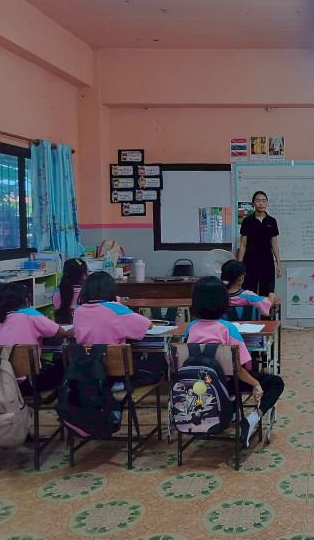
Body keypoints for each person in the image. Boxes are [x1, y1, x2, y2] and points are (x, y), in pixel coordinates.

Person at [183, 276, 285, 448]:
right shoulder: (228, 329)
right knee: (275, 382)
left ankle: (228, 413)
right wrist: (256, 384)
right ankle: (252, 419)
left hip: (196, 386)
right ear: (223, 300)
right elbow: (239, 369)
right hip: (224, 385)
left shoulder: (190, 327)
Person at [73, 271, 163, 387]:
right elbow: (148, 325)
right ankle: (118, 385)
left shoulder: (78, 310)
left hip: (86, 369)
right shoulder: (116, 308)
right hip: (115, 370)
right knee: (159, 367)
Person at [0, 282, 72, 391]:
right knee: (65, 366)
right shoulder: (29, 313)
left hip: (3, 383)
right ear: (26, 300)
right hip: (29, 384)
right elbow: (61, 332)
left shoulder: (2, 319)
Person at [237, 191, 282, 296]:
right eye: (258, 201)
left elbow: (274, 244)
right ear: (253, 203)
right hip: (250, 260)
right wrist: (239, 266)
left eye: (263, 201)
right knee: (249, 292)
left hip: (267, 260)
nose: (261, 203)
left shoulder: (271, 221)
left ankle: (265, 308)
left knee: (267, 293)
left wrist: (279, 264)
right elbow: (243, 245)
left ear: (267, 203)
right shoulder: (247, 221)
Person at [53, 258, 89, 324]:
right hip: (83, 328)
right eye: (88, 271)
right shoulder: (87, 293)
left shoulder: (56, 293)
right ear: (83, 276)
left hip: (62, 328)